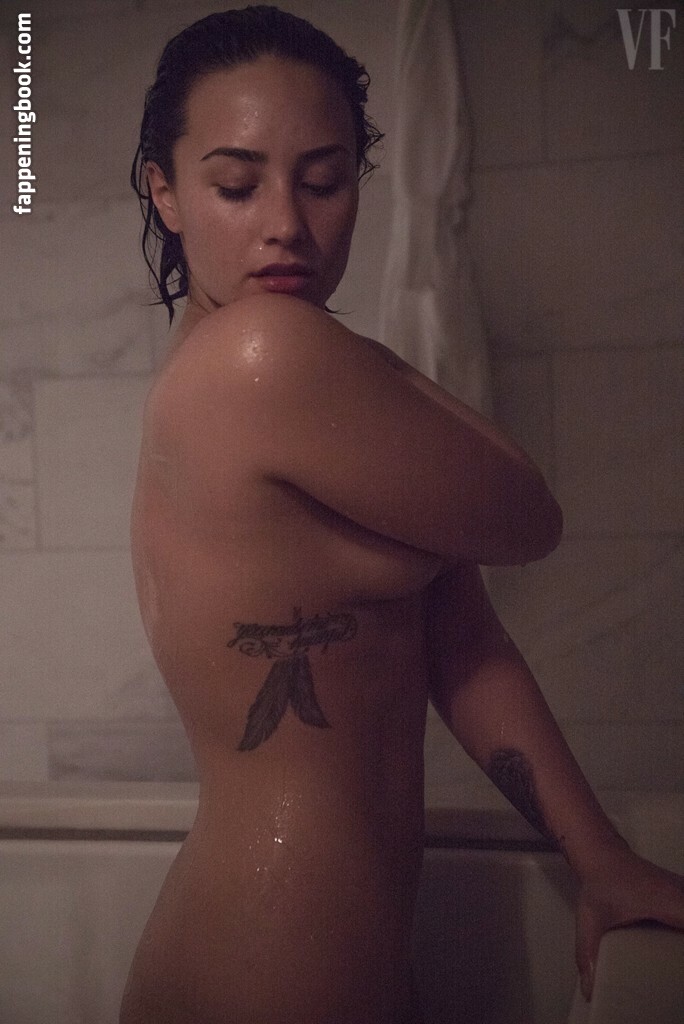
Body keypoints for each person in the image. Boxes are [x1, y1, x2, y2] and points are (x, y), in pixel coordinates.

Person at [121, 6, 684, 1023]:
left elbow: (459, 637)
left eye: (324, 179)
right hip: (271, 966)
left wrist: (599, 857)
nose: (286, 223)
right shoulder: (265, 355)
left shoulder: (268, 376)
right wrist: (367, 356)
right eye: (237, 185)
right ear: (166, 192)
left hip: (314, 947)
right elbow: (529, 516)